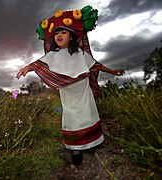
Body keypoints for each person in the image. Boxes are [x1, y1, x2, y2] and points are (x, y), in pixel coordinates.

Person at [16, 6, 124, 166]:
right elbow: (39, 64)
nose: (59, 35)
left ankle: (91, 144)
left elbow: (95, 65)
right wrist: (27, 67)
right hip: (68, 93)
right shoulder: (52, 55)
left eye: (63, 32)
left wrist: (112, 71)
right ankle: (75, 149)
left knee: (88, 115)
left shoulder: (80, 53)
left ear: (71, 37)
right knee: (72, 118)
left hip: (83, 91)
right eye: (57, 33)